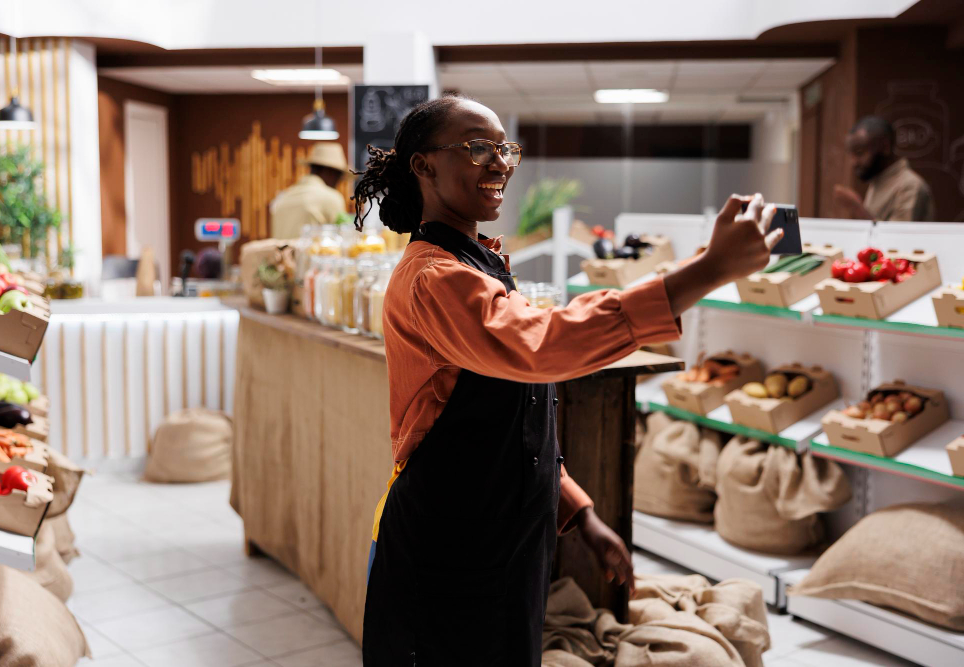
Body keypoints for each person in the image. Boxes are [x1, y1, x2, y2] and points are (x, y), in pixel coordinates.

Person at [353, 93, 781, 667]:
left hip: (502, 539)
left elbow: (513, 427)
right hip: (449, 544)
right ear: (423, 166)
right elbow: (544, 347)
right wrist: (706, 271)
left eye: (504, 148)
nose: (499, 162)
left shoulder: (479, 265)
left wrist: (580, 515)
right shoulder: (433, 278)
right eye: (478, 147)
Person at [834, 115, 936, 222]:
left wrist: (857, 209)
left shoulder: (910, 186)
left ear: (885, 147)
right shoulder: (878, 180)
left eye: (860, 153)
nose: (854, 162)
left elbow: (898, 236)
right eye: (852, 155)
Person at [269, 141, 349, 238]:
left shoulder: (283, 197)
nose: (338, 182)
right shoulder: (331, 197)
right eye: (339, 177)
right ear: (330, 173)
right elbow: (344, 237)